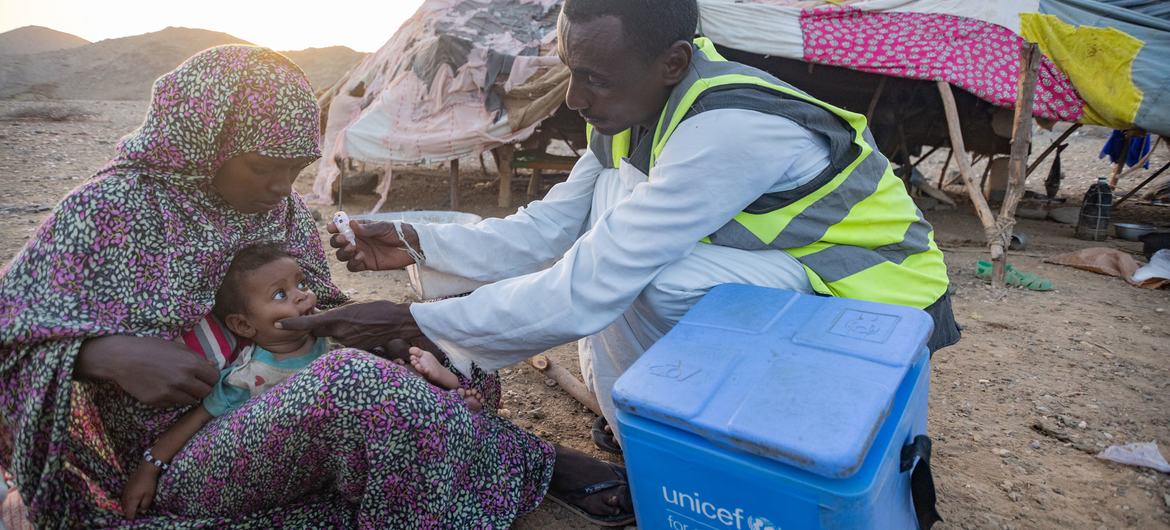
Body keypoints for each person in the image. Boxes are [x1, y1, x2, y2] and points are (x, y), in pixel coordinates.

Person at [283, 0, 961, 453]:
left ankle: (679, 436)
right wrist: (418, 239)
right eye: (571, 74)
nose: (575, 99)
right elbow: (549, 229)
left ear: (672, 61)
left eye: (594, 80)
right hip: (792, 286)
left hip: (877, 312)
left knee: (643, 276)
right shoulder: (636, 110)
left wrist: (424, 325)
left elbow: (593, 279)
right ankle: (635, 428)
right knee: (611, 212)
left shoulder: (732, 128)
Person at [0, 45, 623, 528]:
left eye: (294, 170)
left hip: (282, 398)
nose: (281, 189)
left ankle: (508, 460)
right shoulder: (110, 211)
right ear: (201, 146)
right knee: (357, 389)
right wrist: (103, 353)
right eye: (263, 169)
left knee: (457, 362)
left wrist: (403, 349)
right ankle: (530, 464)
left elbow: (315, 311)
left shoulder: (281, 214)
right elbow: (12, 325)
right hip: (175, 452)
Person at [119, 243, 485, 519]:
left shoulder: (334, 339)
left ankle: (449, 395)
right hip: (290, 466)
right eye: (281, 294)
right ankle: (452, 405)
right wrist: (149, 467)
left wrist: (405, 352)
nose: (302, 295)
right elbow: (197, 419)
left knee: (456, 322)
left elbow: (386, 368)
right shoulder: (249, 375)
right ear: (244, 326)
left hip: (358, 443)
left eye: (302, 283)